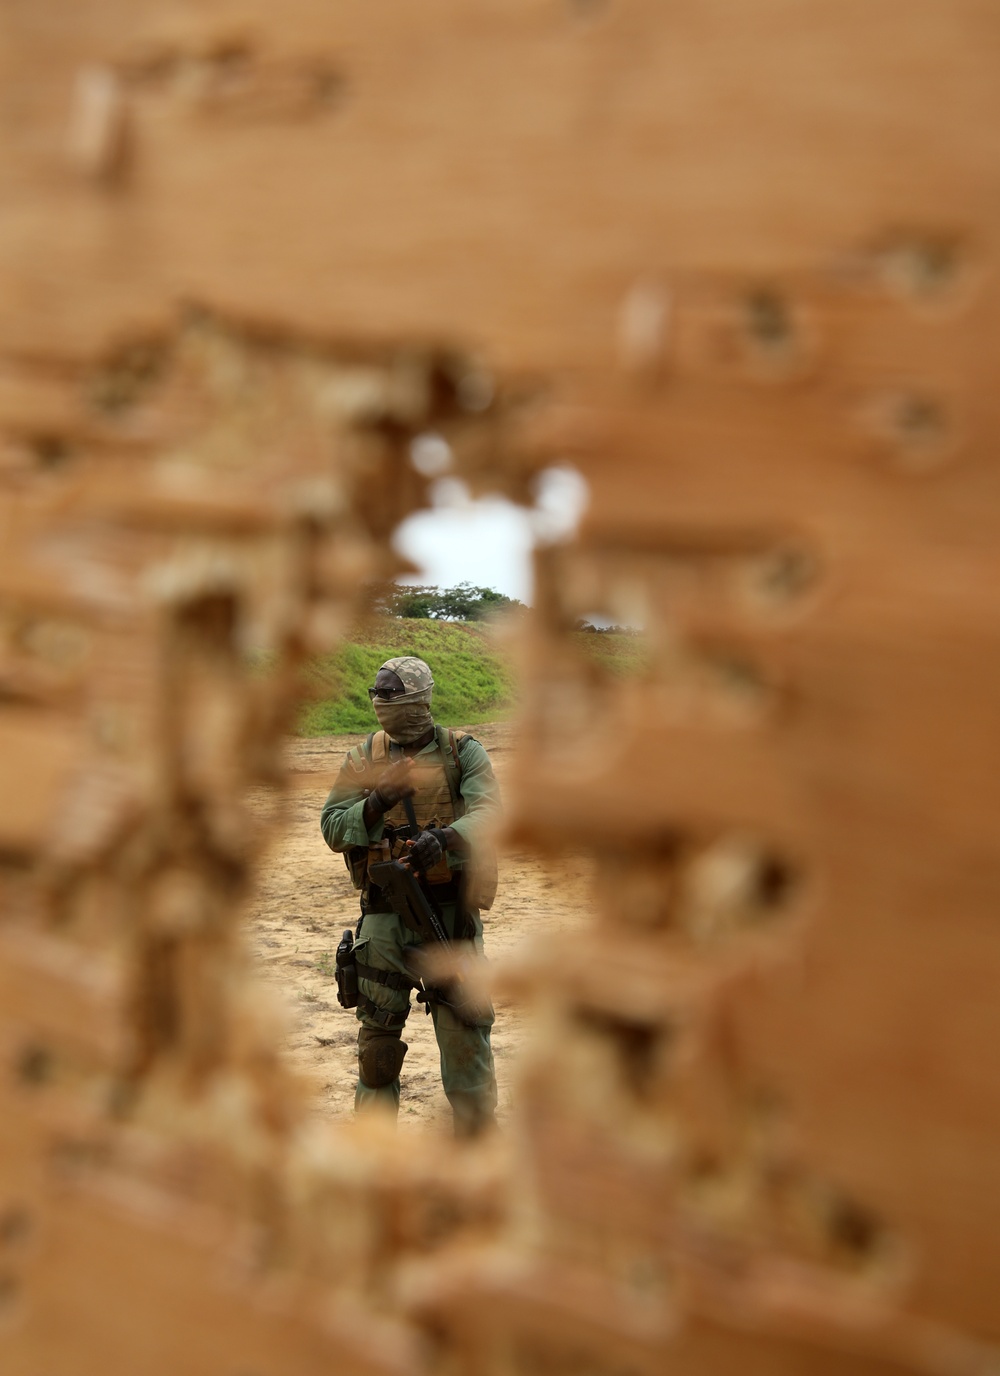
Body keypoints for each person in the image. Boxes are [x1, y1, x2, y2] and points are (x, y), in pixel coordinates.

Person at [320, 655, 501, 1136]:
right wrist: (375, 802)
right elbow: (332, 827)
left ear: (420, 700)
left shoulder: (463, 753)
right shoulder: (363, 758)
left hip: (450, 919)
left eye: (391, 694)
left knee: (466, 1047)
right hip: (383, 920)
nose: (380, 703)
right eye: (377, 694)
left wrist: (445, 838)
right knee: (377, 1053)